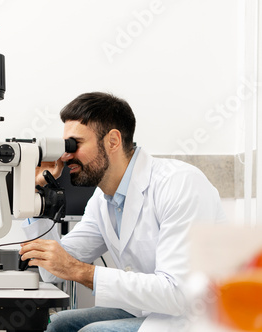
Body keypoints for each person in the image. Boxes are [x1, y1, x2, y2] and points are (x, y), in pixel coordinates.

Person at [19, 92, 225, 331]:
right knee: (59, 324)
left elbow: (178, 294)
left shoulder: (180, 184)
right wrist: (34, 190)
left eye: (75, 144)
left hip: (194, 315)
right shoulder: (102, 199)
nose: (66, 156)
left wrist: (81, 271)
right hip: (151, 309)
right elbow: (53, 271)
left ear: (113, 141)